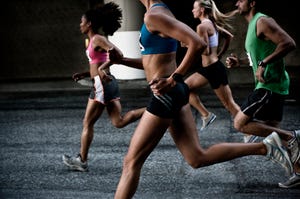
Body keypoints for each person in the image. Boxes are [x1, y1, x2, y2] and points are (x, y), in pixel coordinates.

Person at [110, 1, 299, 198]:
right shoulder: (157, 13)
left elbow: (198, 44)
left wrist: (174, 78)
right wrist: (120, 60)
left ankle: (267, 136)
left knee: (131, 162)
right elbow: (152, 62)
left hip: (166, 95)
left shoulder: (154, 15)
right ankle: (266, 146)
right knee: (196, 157)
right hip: (174, 93)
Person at [62, 2, 146, 172]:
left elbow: (119, 55)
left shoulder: (98, 39)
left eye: (81, 22)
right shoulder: (93, 40)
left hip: (102, 84)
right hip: (107, 82)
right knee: (118, 121)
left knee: (87, 122)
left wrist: (100, 69)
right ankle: (153, 110)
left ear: (89, 24)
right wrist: (86, 74)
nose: (80, 25)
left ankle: (82, 160)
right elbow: (97, 63)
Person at [225, 0, 299, 188]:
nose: (237, 3)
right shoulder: (253, 25)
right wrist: (240, 62)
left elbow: (289, 43)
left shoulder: (262, 21)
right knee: (275, 136)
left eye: (241, 0)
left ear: (252, 3)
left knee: (240, 123)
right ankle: (299, 171)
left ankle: (292, 136)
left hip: (270, 85)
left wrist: (264, 64)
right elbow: (258, 57)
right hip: (274, 84)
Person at [184, 0, 240, 131]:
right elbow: (229, 37)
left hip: (213, 69)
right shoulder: (211, 24)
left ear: (202, 10)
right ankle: (206, 114)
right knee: (184, 88)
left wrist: (188, 45)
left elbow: (206, 51)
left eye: (194, 8)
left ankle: (248, 130)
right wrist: (219, 54)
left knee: (229, 104)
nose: (192, 10)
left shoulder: (202, 27)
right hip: (208, 68)